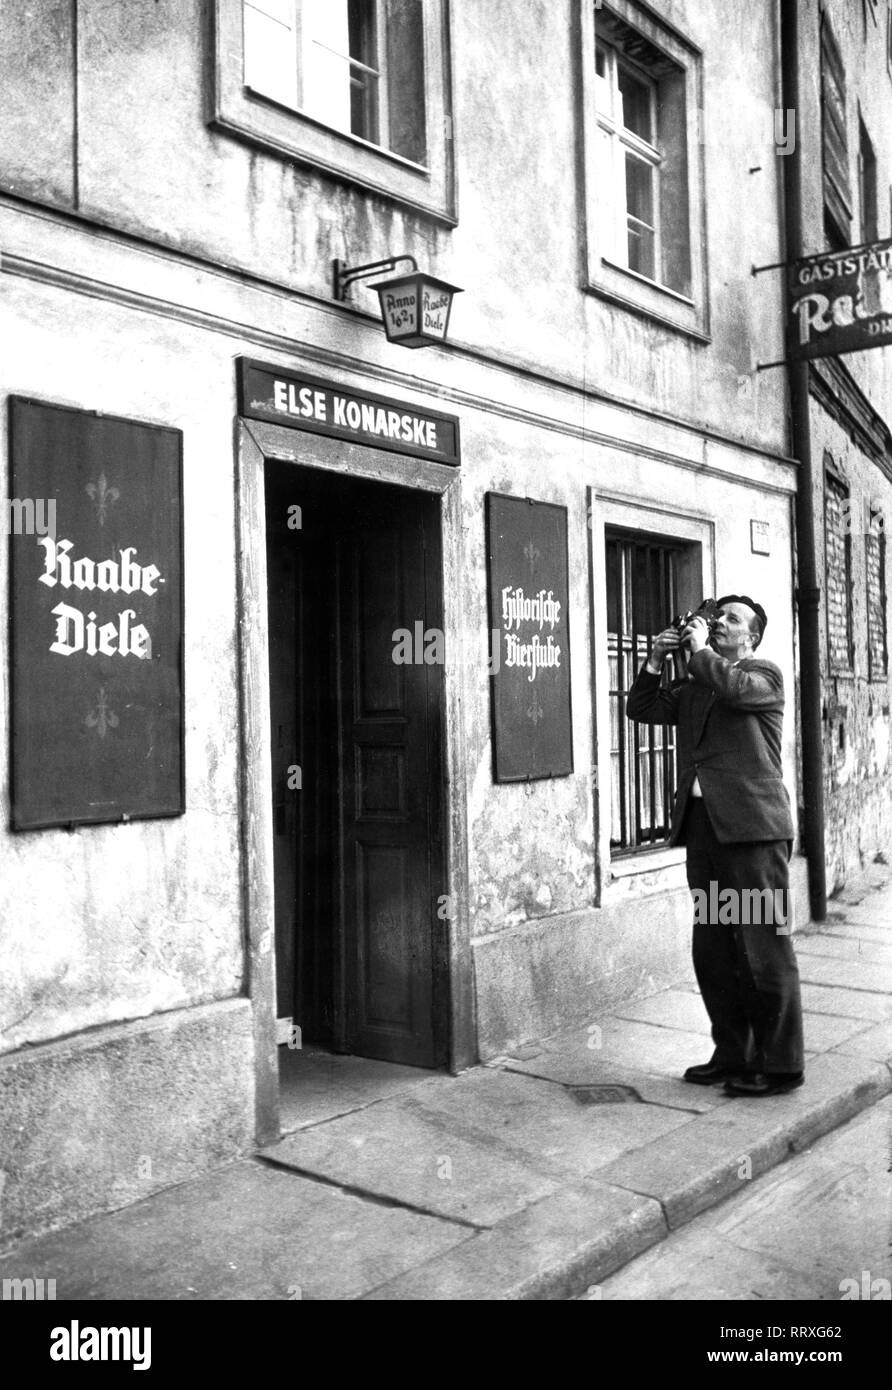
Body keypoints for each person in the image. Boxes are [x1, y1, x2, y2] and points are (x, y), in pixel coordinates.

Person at [626, 595, 804, 1097]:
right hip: (706, 829)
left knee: (762, 945)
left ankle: (781, 1064)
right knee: (717, 947)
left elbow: (734, 687)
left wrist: (701, 650)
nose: (719, 622)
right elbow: (641, 707)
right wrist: (657, 661)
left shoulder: (762, 677)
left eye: (731, 619)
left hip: (752, 831)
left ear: (751, 637)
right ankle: (733, 1055)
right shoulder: (699, 685)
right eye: (716, 616)